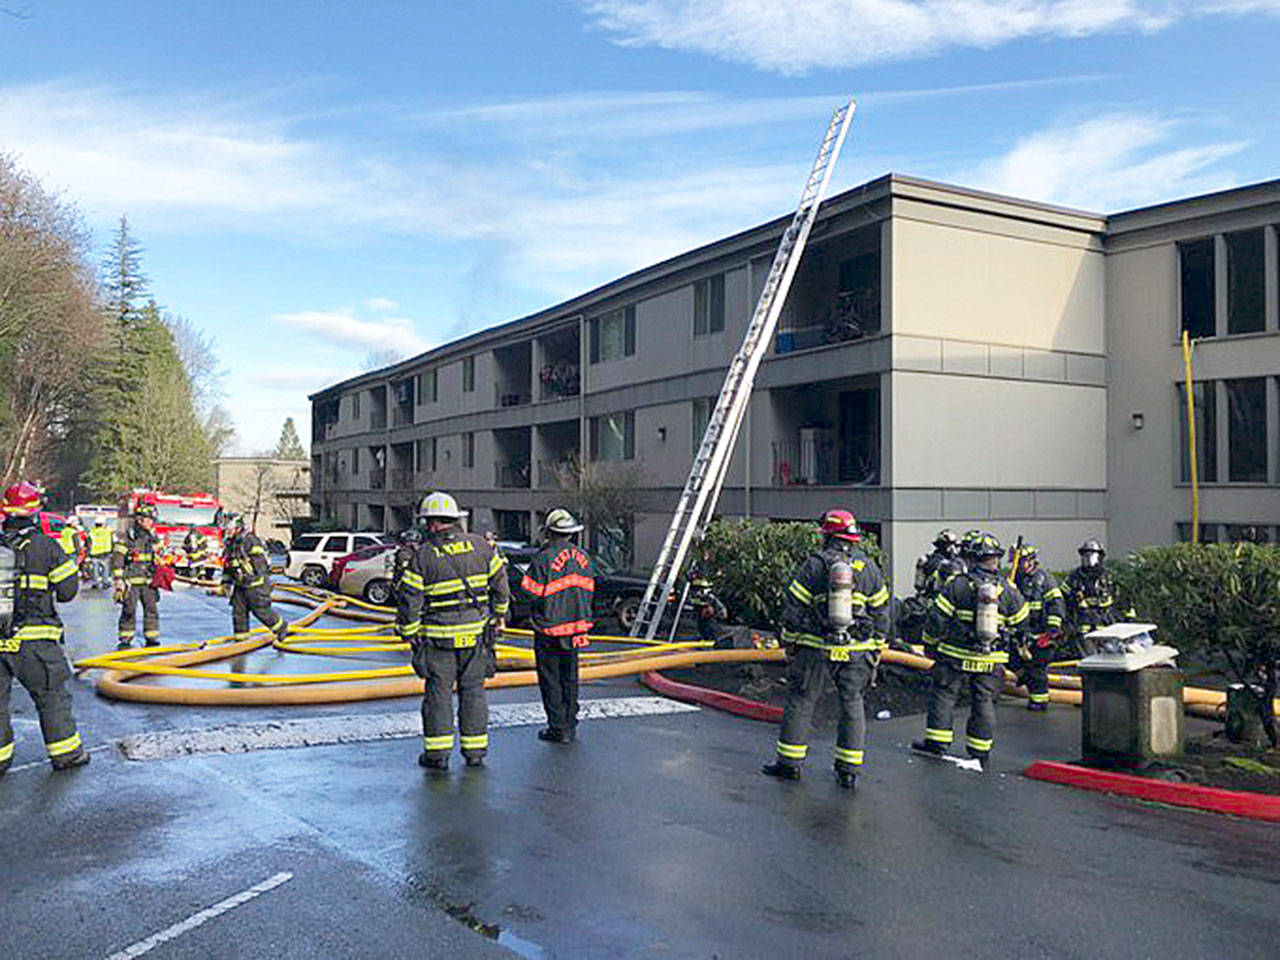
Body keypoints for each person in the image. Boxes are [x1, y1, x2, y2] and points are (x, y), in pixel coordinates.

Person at [761, 509, 890, 790]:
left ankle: (790, 765)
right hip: (858, 648)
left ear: (827, 536)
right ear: (853, 538)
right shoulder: (869, 567)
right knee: (853, 703)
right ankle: (848, 771)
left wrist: (791, 640)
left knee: (802, 700)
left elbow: (794, 606)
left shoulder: (815, 564)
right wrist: (878, 645)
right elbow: (882, 612)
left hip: (816, 647)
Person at [395, 491, 509, 771]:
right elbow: (501, 587)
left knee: (438, 695)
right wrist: (498, 617)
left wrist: (409, 633)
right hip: (477, 638)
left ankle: (438, 755)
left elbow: (410, 600)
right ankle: (475, 753)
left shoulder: (423, 556)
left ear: (433, 523)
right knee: (473, 693)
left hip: (438, 641)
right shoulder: (482, 547)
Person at [912, 532, 1029, 769]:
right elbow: (1022, 623)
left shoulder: (959, 584)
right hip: (991, 658)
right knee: (984, 700)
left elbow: (937, 618)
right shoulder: (1008, 589)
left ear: (973, 558)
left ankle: (937, 743)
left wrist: (929, 644)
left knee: (944, 696)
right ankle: (980, 750)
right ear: (995, 559)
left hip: (955, 654)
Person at [0, 481, 89, 774]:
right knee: (51, 696)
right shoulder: (47, 546)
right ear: (35, 510)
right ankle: (67, 754)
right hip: (35, 640)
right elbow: (67, 591)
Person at [520, 509, 594, 743]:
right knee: (570, 677)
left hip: (549, 629)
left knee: (550, 679)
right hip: (576, 627)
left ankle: (557, 727)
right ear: (571, 534)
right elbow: (590, 590)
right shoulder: (583, 557)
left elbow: (530, 592)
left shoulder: (544, 558)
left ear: (550, 532)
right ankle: (570, 724)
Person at [1007, 543, 1065, 711]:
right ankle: (1025, 679)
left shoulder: (1044, 579)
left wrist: (1052, 629)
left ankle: (1039, 701)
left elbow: (1056, 604)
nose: (1019, 565)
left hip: (1041, 634)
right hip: (1020, 633)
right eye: (1017, 562)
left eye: (1023, 561)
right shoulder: (1013, 580)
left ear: (1032, 560)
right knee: (1011, 661)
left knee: (1037, 669)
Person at [221, 513, 289, 643]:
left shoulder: (250, 540)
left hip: (256, 585)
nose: (227, 532)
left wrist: (249, 574)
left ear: (238, 528)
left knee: (261, 611)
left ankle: (281, 628)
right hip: (240, 585)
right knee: (238, 612)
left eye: (229, 529)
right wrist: (226, 582)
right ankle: (241, 640)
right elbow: (228, 565)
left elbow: (260, 563)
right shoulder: (231, 544)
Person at [1061, 540, 1126, 656]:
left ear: (1100, 557)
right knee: (1089, 660)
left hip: (1106, 628)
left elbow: (1123, 601)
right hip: (1083, 629)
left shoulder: (1108, 578)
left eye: (1091, 554)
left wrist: (1125, 621)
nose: (1088, 558)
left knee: (1110, 658)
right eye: (1085, 554)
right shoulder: (1073, 578)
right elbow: (1062, 599)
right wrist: (1067, 622)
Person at [113, 503, 161, 649]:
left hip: (148, 581)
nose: (152, 523)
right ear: (140, 520)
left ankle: (151, 636)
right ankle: (126, 637)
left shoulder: (153, 538)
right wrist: (119, 580)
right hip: (131, 582)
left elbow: (157, 559)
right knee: (129, 609)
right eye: (149, 519)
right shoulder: (127, 537)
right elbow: (118, 559)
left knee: (151, 609)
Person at [87, 518, 114, 589]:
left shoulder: (91, 532)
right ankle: (105, 583)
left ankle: (96, 583)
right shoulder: (108, 531)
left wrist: (88, 552)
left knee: (95, 569)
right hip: (105, 553)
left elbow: (88, 543)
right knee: (105, 568)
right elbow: (113, 540)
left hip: (94, 553)